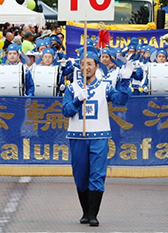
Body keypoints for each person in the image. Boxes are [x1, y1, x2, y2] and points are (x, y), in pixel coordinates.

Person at [61, 47, 133, 227]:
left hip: (99, 136)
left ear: (97, 66)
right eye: (83, 64)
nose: (86, 67)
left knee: (97, 174)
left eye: (90, 64)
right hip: (77, 136)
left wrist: (124, 81)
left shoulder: (105, 86)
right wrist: (77, 100)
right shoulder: (72, 88)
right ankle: (85, 211)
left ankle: (93, 213)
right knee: (80, 175)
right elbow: (66, 111)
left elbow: (121, 100)